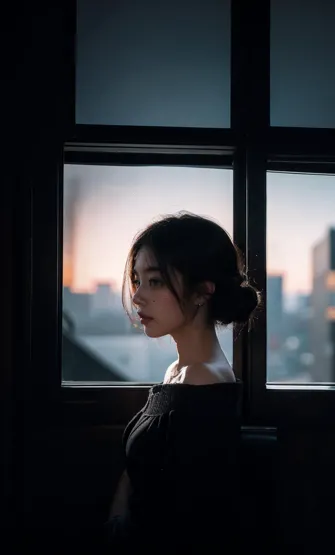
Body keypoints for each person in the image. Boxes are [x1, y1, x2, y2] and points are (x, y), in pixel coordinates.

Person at [103, 212, 262, 553]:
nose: (137, 296)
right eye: (137, 279)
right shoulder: (180, 371)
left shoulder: (203, 382)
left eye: (155, 281)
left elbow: (190, 525)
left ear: (203, 291)